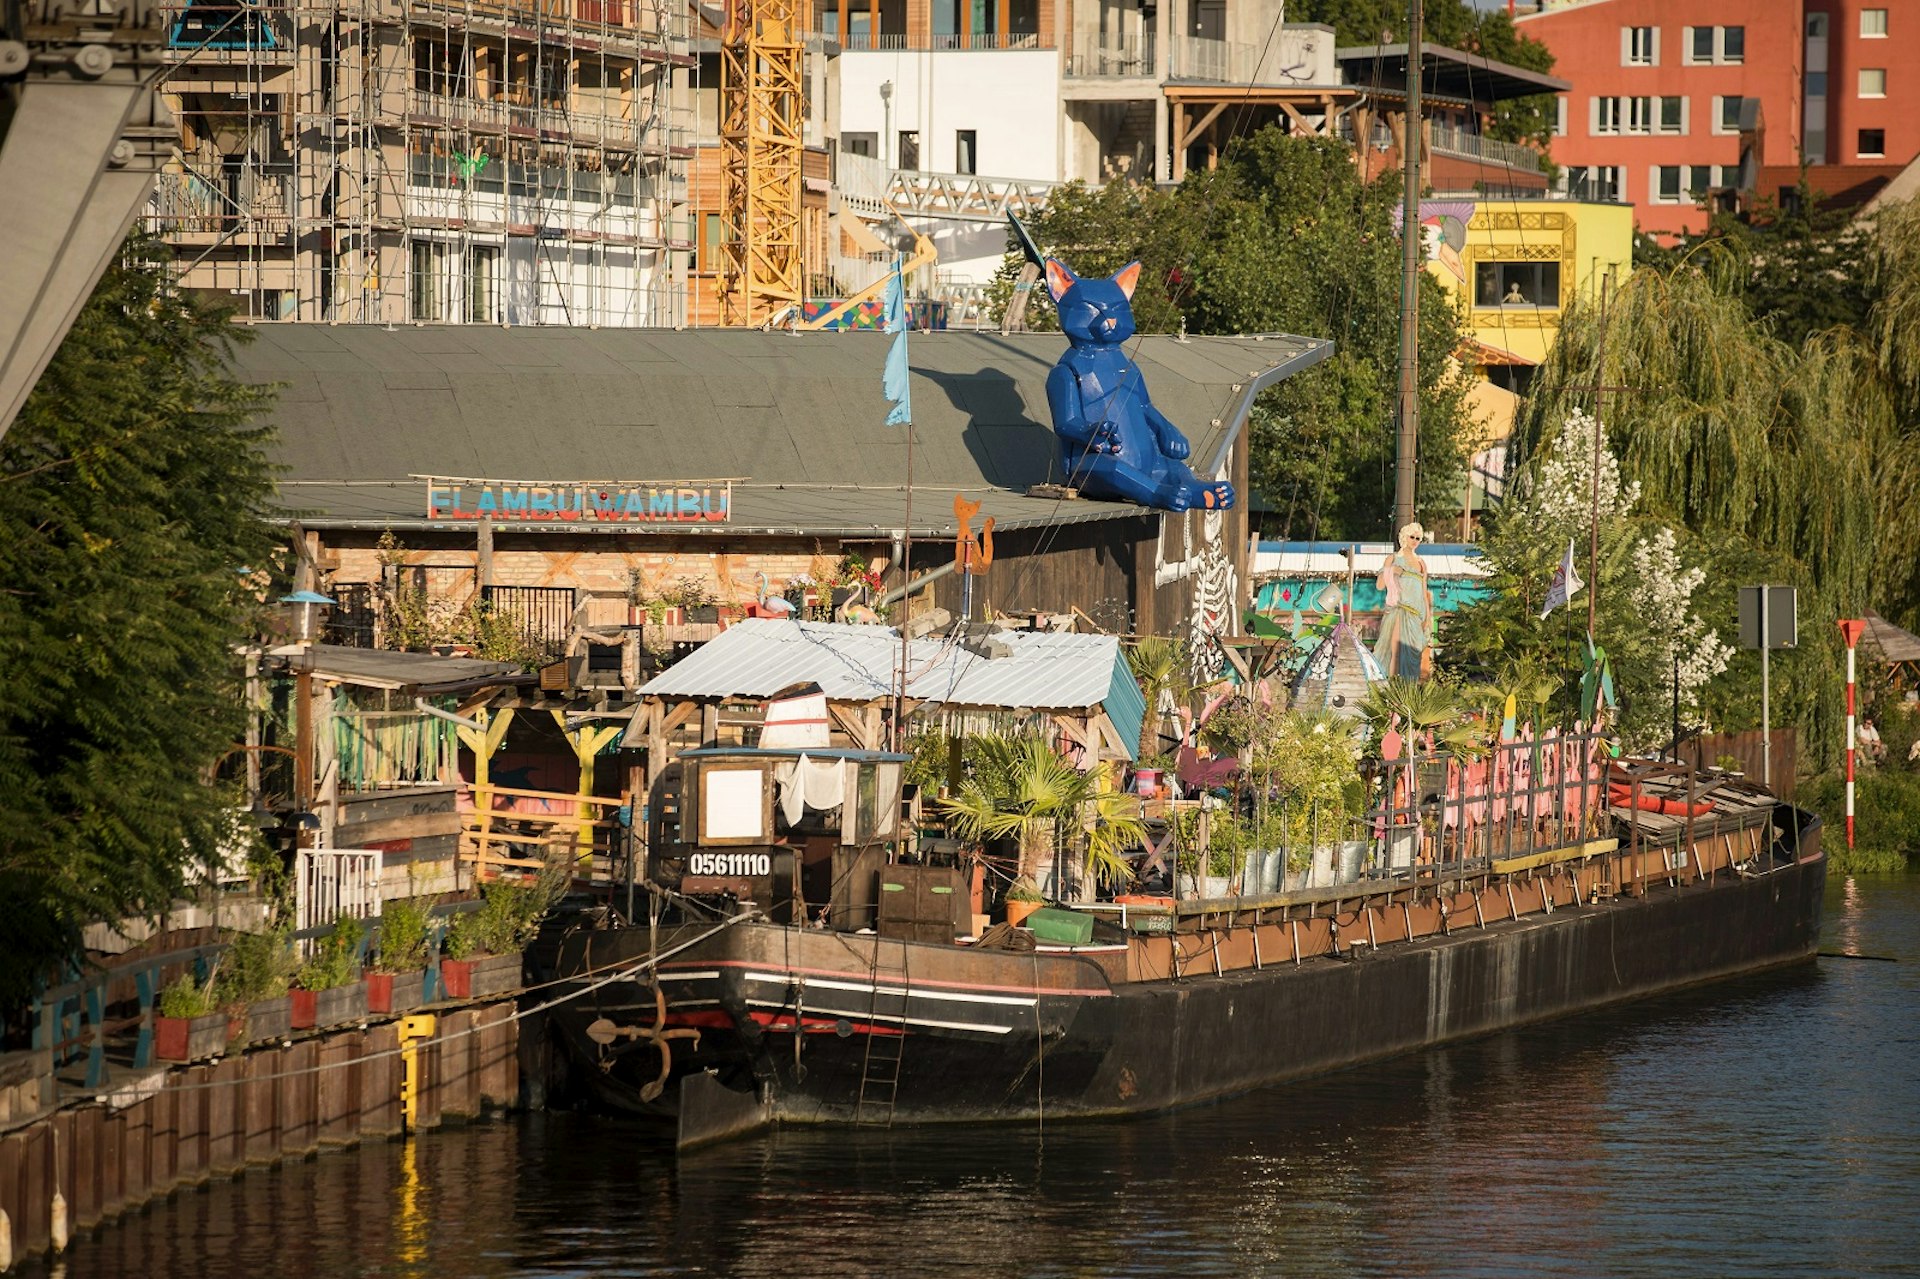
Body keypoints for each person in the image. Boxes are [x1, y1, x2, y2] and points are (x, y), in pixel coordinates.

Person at [1373, 521, 1435, 681]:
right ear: (1404, 537)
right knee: (1394, 652)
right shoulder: (1393, 558)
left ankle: (1407, 693)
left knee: (1413, 658)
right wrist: (1393, 570)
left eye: (1419, 538)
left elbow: (1423, 592)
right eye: (1412, 537)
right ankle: (1390, 690)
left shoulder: (1421, 563)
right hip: (1399, 610)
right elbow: (1379, 585)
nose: (1415, 540)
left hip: (1416, 615)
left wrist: (1428, 618)